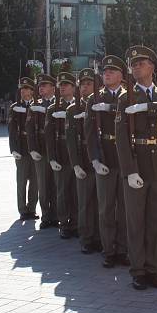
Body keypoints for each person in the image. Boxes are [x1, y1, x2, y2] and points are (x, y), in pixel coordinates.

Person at [115, 45, 157, 290]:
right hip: (138, 163)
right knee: (136, 221)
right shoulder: (126, 97)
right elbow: (121, 138)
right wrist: (129, 170)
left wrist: (148, 107)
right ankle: (138, 270)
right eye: (133, 64)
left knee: (156, 221)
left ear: (152, 67)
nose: (136, 67)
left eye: (141, 63)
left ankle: (154, 269)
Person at [84, 56, 130, 269]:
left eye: (112, 70)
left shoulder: (129, 96)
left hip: (124, 158)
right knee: (106, 208)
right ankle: (108, 250)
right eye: (105, 71)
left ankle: (123, 249)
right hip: (104, 156)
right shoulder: (93, 99)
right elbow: (89, 132)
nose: (107, 73)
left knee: (125, 208)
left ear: (121, 75)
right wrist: (94, 158)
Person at [65, 69, 101, 255]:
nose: (85, 87)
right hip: (84, 161)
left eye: (89, 83)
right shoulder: (73, 109)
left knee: (101, 203)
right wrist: (76, 164)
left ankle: (100, 237)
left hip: (101, 160)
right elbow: (70, 140)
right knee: (85, 202)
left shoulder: (102, 104)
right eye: (83, 84)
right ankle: (86, 238)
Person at [45, 72, 79, 240]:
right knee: (62, 191)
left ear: (74, 87)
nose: (63, 87)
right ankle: (64, 224)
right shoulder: (53, 108)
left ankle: (76, 222)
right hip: (61, 153)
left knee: (75, 191)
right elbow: (49, 136)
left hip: (77, 155)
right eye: (61, 85)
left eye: (66, 84)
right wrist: (51, 157)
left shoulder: (80, 106)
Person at [26, 74, 59, 230]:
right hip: (41, 149)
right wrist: (32, 148)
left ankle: (58, 215)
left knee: (57, 184)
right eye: (40, 86)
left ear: (53, 87)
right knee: (43, 185)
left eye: (44, 85)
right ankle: (46, 216)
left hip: (57, 149)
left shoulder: (59, 104)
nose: (41, 88)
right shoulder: (34, 105)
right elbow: (29, 129)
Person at [8, 77, 39, 221]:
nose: (24, 91)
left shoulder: (37, 106)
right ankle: (22, 210)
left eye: (26, 88)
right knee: (21, 181)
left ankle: (32, 208)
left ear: (32, 91)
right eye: (22, 89)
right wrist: (13, 149)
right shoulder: (14, 107)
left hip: (35, 148)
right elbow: (12, 130)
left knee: (35, 181)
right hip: (21, 147)